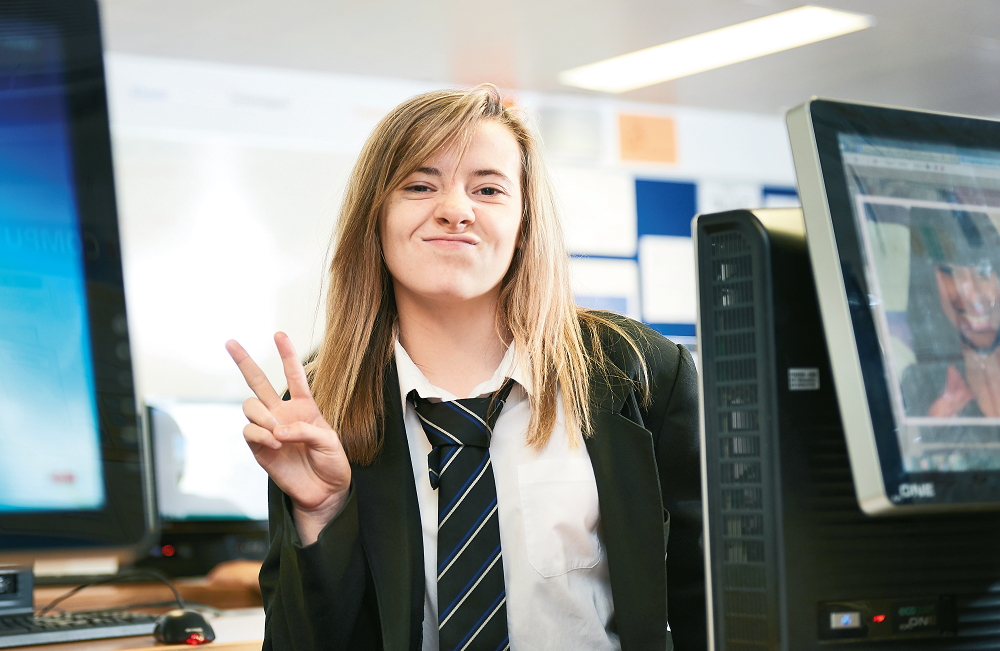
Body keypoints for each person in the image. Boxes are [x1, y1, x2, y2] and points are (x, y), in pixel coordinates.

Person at [226, 85, 703, 651]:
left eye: (488, 188)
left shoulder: (640, 370)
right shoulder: (324, 399)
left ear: (525, 222)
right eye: (421, 185)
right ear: (374, 219)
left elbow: (711, 602)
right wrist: (321, 514)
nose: (455, 209)